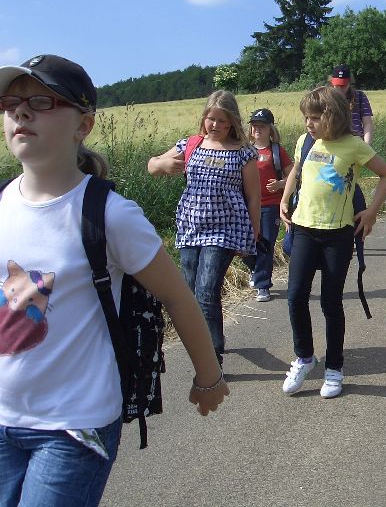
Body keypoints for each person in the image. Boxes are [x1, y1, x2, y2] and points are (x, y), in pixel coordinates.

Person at [0, 54, 228, 506]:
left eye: (42, 101)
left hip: (74, 425)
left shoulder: (110, 214)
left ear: (83, 125)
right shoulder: (1, 202)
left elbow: (178, 298)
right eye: (11, 103)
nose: (21, 112)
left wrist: (208, 378)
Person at [279, 86, 386, 398]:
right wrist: (285, 198)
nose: (308, 123)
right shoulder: (306, 141)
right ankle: (304, 357)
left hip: (337, 234)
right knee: (296, 296)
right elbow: (297, 170)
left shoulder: (354, 145)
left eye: (315, 118)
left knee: (331, 302)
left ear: (333, 116)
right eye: (306, 117)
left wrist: (371, 212)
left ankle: (334, 368)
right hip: (302, 229)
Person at [148, 90, 261, 366]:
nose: (216, 126)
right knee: (189, 290)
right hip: (190, 225)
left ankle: (213, 355)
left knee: (207, 290)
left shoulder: (244, 153)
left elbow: (254, 196)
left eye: (223, 121)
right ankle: (200, 342)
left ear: (233, 122)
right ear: (204, 118)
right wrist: (162, 163)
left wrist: (253, 234)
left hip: (225, 229)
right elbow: (152, 166)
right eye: (212, 119)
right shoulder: (191, 144)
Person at [241, 108, 293, 302]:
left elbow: (293, 175)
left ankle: (263, 285)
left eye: (261, 126)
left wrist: (280, 184)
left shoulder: (277, 151)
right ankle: (257, 269)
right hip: (246, 205)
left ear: (270, 129)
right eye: (254, 125)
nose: (257, 129)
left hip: (271, 205)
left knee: (266, 244)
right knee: (244, 245)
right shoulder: (244, 150)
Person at [330, 64, 374, 145]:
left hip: (357, 142)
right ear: (332, 82)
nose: (339, 89)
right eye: (337, 85)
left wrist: (366, 145)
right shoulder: (327, 98)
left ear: (349, 83)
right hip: (334, 142)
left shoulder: (360, 96)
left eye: (343, 86)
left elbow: (367, 123)